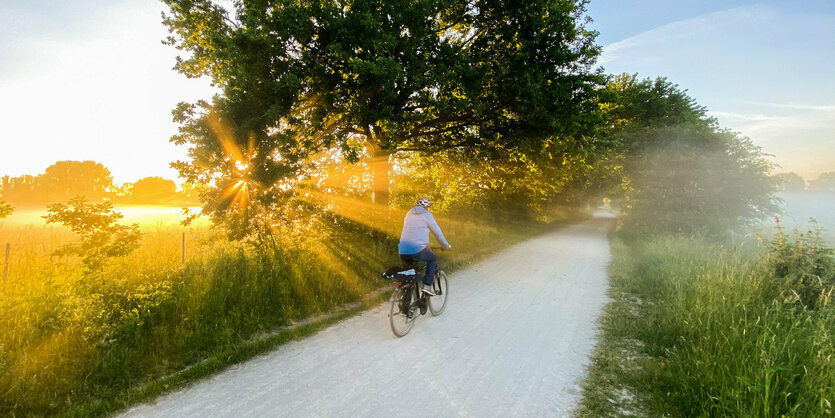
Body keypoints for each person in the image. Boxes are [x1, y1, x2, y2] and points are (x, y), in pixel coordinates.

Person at [399, 197, 451, 296]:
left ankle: (405, 300)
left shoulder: (409, 214)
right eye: (428, 207)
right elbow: (438, 233)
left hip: (402, 249)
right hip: (417, 249)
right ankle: (427, 285)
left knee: (409, 275)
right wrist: (445, 246)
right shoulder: (427, 215)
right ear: (426, 207)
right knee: (432, 258)